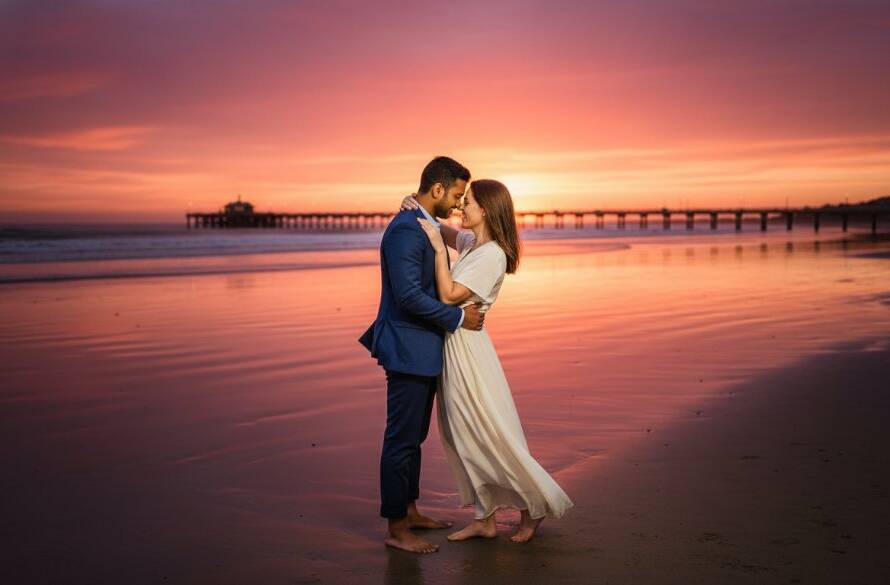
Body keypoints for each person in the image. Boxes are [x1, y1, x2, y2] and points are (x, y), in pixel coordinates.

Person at [403, 178, 573, 543]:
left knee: (490, 432)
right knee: (464, 435)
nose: (460, 208)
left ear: (486, 210)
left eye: (468, 203)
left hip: (470, 354)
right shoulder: (471, 243)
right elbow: (442, 229)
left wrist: (437, 251)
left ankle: (534, 509)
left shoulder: (492, 254)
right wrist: (415, 205)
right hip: (454, 349)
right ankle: (485, 518)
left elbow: (449, 295)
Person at [359, 156, 486, 554]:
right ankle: (396, 528)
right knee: (401, 439)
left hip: (423, 348)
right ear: (437, 189)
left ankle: (410, 511)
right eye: (456, 195)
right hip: (407, 348)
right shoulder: (405, 231)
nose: (458, 203)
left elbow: (452, 244)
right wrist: (458, 318)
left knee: (414, 437)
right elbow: (409, 296)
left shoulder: (423, 223)